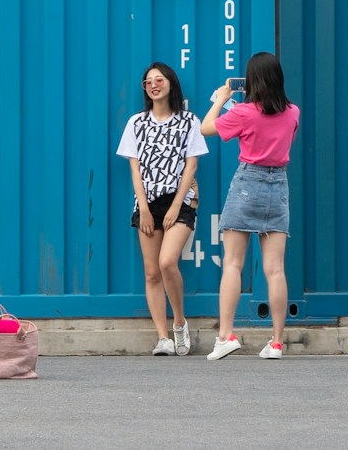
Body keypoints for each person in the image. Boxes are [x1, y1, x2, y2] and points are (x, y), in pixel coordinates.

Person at [199, 52, 300, 360]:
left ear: (251, 81)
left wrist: (220, 98)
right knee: (276, 269)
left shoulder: (244, 112)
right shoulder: (293, 112)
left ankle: (226, 335)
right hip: (278, 186)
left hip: (247, 183)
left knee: (232, 263)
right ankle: (278, 341)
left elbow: (206, 128)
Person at [116, 62, 208, 356]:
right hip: (147, 202)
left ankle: (179, 323)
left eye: (159, 79)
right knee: (152, 272)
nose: (154, 84)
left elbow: (192, 165)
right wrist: (143, 207)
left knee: (168, 262)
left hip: (180, 199)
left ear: (171, 83)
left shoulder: (189, 121)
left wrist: (177, 205)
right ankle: (162, 337)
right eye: (148, 82)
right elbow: (135, 169)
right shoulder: (136, 123)